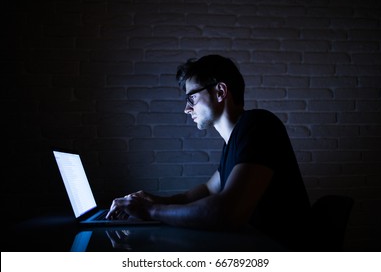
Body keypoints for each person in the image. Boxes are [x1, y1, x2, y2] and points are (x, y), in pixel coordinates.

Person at [106, 54, 312, 250]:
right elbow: (207, 190)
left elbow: (227, 211)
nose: (187, 109)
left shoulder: (258, 125)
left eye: (192, 98)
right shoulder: (235, 140)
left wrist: (150, 211)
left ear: (220, 92)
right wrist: (152, 200)